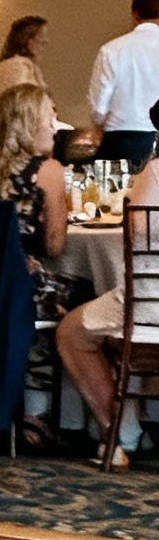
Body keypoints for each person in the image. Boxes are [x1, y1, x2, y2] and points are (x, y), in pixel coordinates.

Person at [57, 154, 159, 468]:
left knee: (71, 332)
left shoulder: (156, 170)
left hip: (149, 305)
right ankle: (134, 426)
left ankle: (119, 434)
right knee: (113, 335)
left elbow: (138, 226)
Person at [0, 82, 74, 323]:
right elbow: (54, 247)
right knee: (95, 295)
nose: (55, 128)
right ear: (29, 124)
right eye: (49, 118)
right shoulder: (48, 170)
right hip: (21, 290)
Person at [85, 0, 159, 168]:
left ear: (135, 14)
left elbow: (98, 108)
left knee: (111, 195)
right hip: (158, 139)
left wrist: (99, 124)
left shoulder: (111, 50)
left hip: (120, 140)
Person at [0, 15, 48, 96]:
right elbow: (22, 102)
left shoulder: (15, 64)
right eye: (41, 42)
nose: (42, 48)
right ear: (28, 41)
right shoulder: (18, 66)